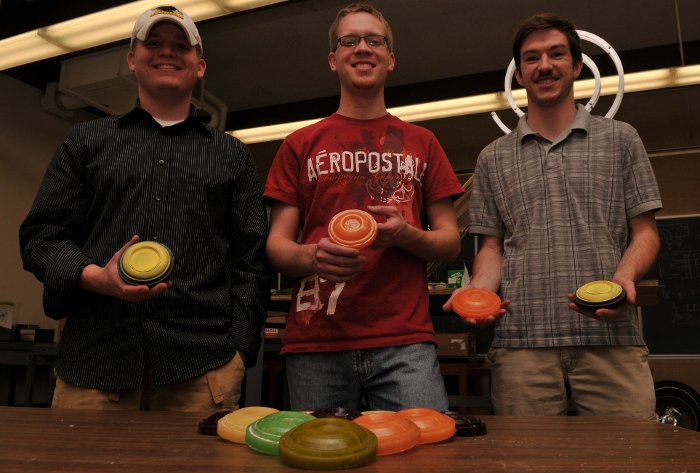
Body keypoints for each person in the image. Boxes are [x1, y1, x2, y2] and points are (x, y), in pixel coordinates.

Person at [19, 5, 269, 412]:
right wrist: (96, 277)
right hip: (93, 366)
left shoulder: (232, 155)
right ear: (132, 60)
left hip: (202, 370)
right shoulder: (84, 142)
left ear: (199, 65)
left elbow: (251, 262)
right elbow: (42, 237)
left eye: (180, 46)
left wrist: (239, 353)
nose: (166, 52)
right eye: (153, 43)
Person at [445, 12, 662, 418]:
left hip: (611, 341)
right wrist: (477, 294)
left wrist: (624, 278)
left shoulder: (621, 140)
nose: (544, 65)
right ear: (520, 74)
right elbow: (492, 248)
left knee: (628, 458)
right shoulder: (493, 157)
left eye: (556, 54)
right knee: (527, 463)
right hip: (521, 349)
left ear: (577, 66)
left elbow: (645, 233)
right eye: (531, 58)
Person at [264, 3, 464, 412]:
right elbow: (277, 247)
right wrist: (313, 255)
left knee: (423, 464)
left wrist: (406, 234)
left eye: (375, 40)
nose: (362, 48)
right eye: (350, 40)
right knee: (320, 465)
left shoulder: (422, 142)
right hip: (316, 339)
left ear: (390, 59)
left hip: (404, 342)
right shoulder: (299, 144)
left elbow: (450, 241)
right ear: (333, 59)